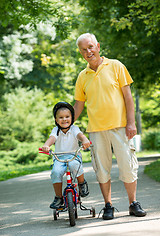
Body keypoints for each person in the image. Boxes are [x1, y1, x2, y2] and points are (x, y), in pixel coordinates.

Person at [74, 33, 146, 220]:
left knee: (128, 167)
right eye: (84, 49)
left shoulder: (116, 66)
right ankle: (108, 205)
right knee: (102, 170)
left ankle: (133, 203)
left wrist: (131, 123)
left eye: (90, 47)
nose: (88, 51)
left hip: (121, 127)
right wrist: (64, 125)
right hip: (96, 131)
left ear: (97, 46)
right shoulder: (82, 76)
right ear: (80, 53)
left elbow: (128, 98)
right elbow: (79, 105)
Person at [42, 102, 91, 209]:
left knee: (75, 165)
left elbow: (80, 135)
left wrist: (85, 140)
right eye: (61, 117)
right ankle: (58, 197)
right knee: (56, 172)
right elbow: (52, 138)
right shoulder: (56, 130)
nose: (64, 119)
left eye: (67, 117)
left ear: (72, 118)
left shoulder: (74, 129)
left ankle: (81, 183)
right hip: (59, 158)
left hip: (73, 155)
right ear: (56, 120)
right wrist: (46, 145)